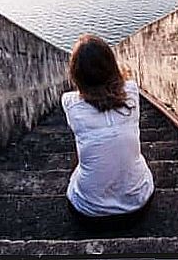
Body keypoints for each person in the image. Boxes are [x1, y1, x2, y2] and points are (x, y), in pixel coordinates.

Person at [61, 34, 155, 231]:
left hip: (89, 212)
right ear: (111, 65)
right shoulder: (132, 92)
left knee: (81, 157)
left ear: (76, 74)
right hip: (139, 205)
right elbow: (119, 85)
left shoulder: (70, 104)